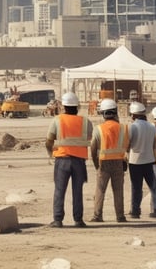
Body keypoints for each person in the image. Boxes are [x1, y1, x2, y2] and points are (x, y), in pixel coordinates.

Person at [45, 91, 92, 228]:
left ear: (63, 107)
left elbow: (49, 141)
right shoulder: (85, 122)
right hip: (79, 161)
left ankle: (58, 219)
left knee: (59, 190)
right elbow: (91, 139)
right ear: (77, 107)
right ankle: (78, 220)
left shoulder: (57, 120)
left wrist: (50, 154)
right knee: (78, 191)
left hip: (62, 159)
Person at [90, 98, 129, 223]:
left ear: (103, 113)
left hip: (103, 163)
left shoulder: (98, 129)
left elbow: (93, 147)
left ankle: (97, 216)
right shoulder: (123, 128)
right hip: (119, 162)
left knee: (100, 190)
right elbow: (126, 146)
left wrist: (96, 165)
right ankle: (120, 216)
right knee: (118, 190)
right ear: (115, 112)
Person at [127, 101, 156, 219]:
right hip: (149, 160)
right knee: (153, 186)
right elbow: (155, 145)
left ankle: (135, 211)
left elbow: (128, 144)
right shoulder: (152, 127)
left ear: (133, 115)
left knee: (136, 187)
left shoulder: (132, 126)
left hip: (135, 161)